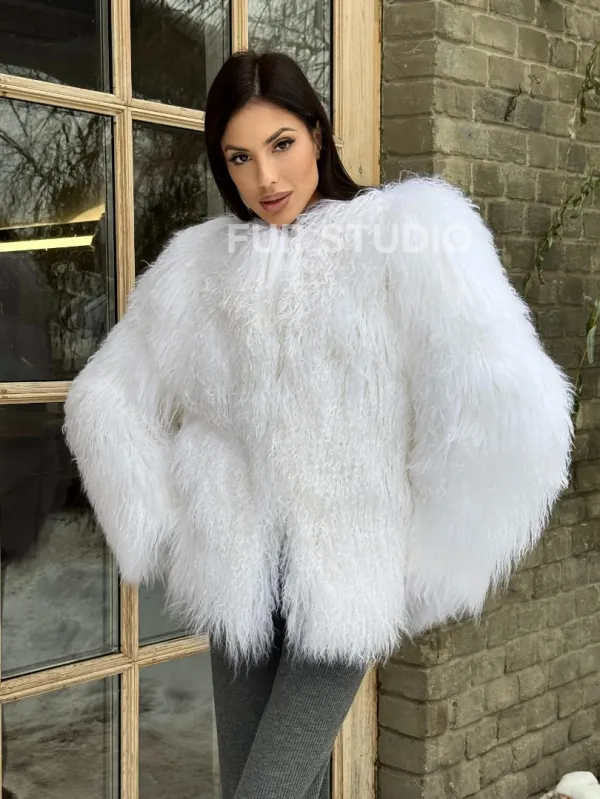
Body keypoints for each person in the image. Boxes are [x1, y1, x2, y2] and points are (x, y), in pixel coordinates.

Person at [63, 51, 575, 799]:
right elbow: (104, 399)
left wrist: (436, 557)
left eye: (281, 145)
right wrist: (163, 530)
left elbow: (504, 400)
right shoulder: (199, 266)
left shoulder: (406, 234)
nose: (265, 178)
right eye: (239, 157)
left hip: (347, 569)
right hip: (237, 569)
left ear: (318, 132)